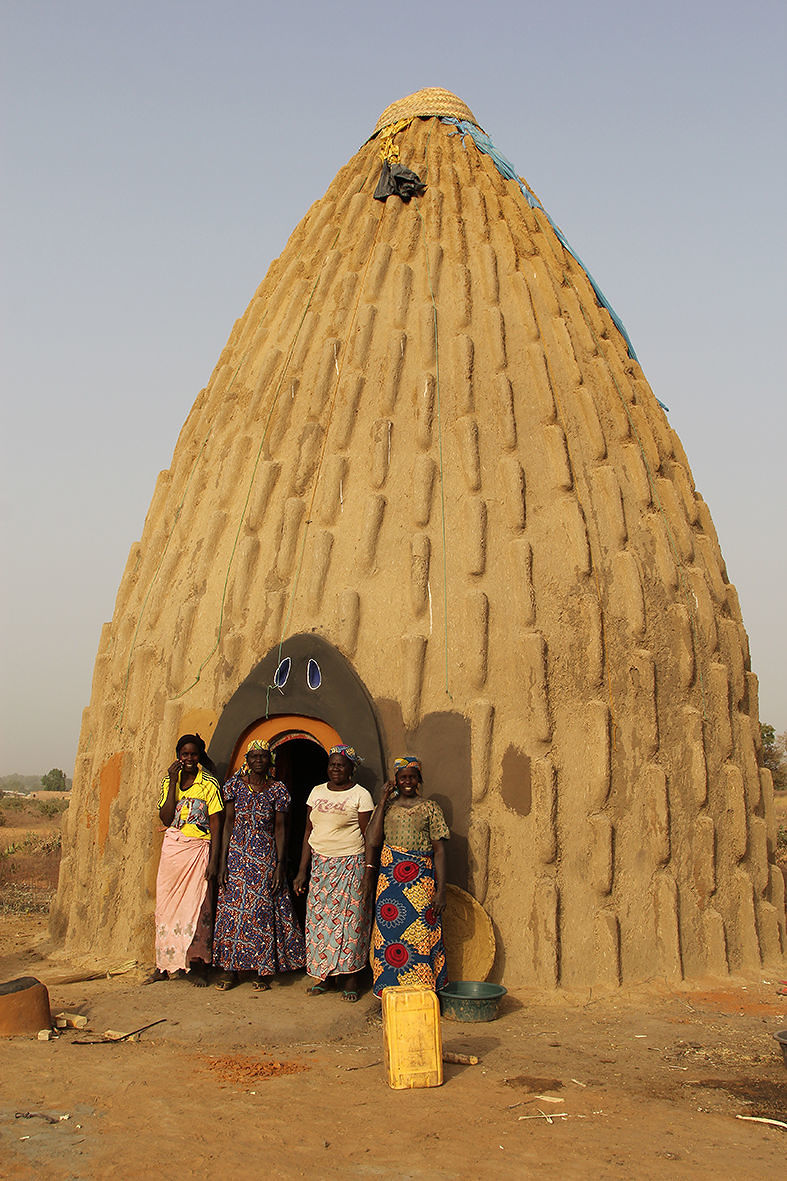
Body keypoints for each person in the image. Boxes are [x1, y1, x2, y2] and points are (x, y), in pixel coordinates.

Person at [213, 739, 305, 990]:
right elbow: (228, 824)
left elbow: (280, 828)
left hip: (264, 855)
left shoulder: (277, 790)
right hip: (237, 855)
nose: (258, 761)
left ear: (270, 760)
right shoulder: (233, 786)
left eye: (263, 756)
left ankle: (260, 971)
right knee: (232, 912)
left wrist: (279, 865)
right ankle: (231, 970)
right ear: (247, 760)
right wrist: (222, 863)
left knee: (261, 912)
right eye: (253, 756)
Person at [293, 745, 374, 1002]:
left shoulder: (361, 795)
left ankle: (350, 978)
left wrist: (369, 872)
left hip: (350, 864)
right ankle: (324, 977)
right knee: (320, 922)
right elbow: (308, 831)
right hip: (321, 866)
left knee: (351, 923)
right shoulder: (316, 792)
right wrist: (301, 871)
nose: (335, 769)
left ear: (351, 768)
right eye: (332, 764)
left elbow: (369, 837)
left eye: (341, 765)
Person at [366, 755, 450, 997]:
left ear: (419, 779)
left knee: (422, 935)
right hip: (389, 884)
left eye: (412, 777)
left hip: (420, 882)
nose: (408, 781)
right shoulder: (388, 807)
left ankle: (423, 994)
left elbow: (440, 851)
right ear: (395, 780)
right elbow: (372, 839)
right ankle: (391, 996)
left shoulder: (430, 808)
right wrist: (382, 801)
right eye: (403, 777)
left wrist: (440, 890)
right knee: (389, 937)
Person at [150, 733, 224, 985]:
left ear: (199, 755)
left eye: (193, 754)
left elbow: (216, 824)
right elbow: (166, 818)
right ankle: (164, 964)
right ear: (178, 757)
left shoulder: (209, 784)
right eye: (184, 754)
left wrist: (214, 861)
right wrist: (172, 782)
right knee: (166, 908)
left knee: (197, 907)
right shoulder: (169, 782)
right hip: (173, 850)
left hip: (198, 849)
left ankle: (197, 964)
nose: (189, 758)